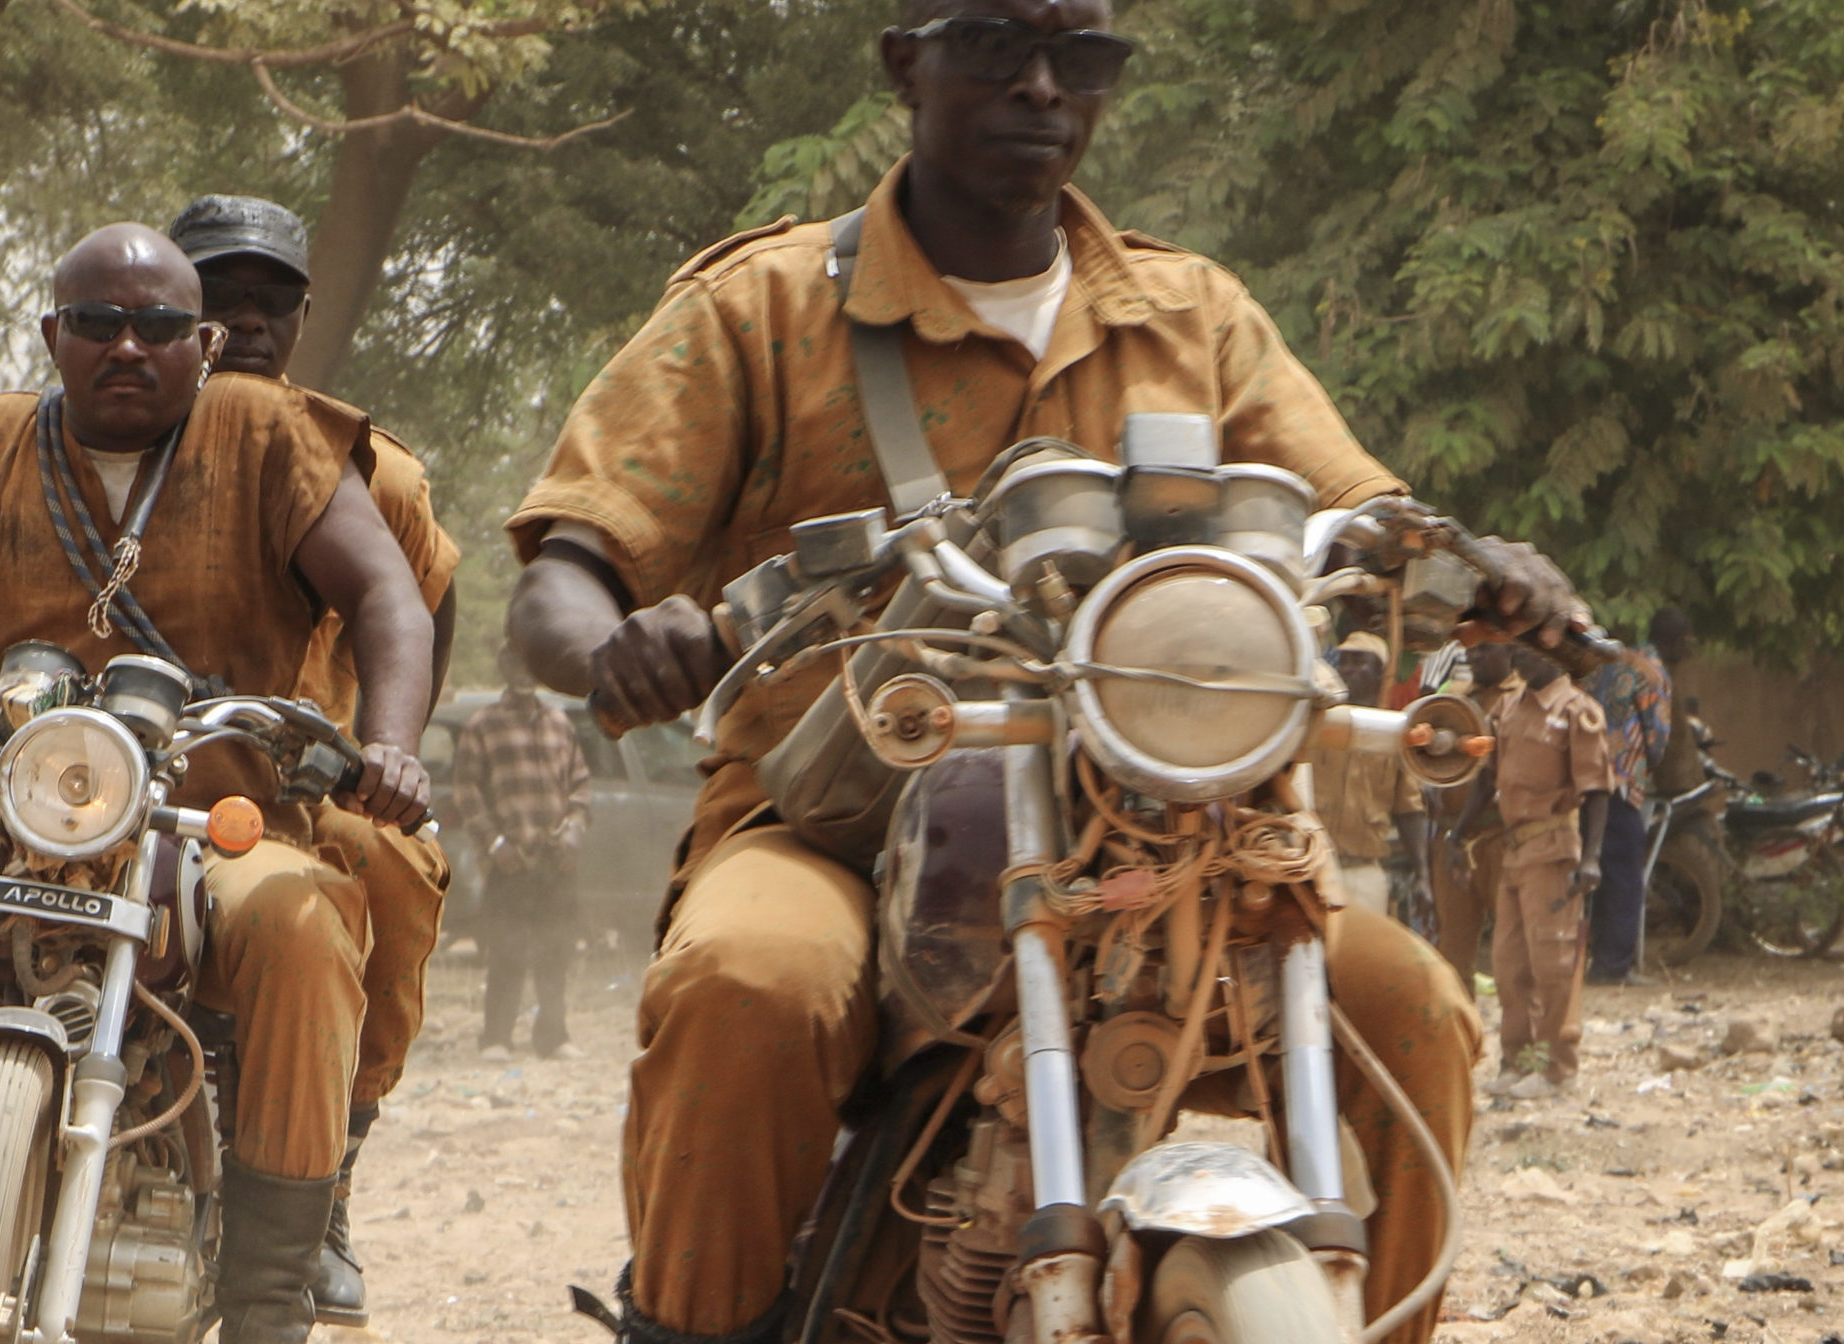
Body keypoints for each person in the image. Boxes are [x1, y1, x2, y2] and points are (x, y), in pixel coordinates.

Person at [500, 4, 1587, 1340]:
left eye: (1084, 58)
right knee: (749, 988)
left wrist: (1487, 573)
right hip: (837, 821)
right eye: (997, 46)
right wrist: (611, 638)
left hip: (1178, 835)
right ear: (905, 63)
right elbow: (568, 563)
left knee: (1413, 1010)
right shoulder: (764, 307)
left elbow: (1361, 518)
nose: (1040, 85)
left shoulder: (1198, 316)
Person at [0, 222, 433, 1344]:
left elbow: (389, 599)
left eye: (159, 327)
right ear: (53, 334)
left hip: (214, 815)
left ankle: (271, 1296)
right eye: (97, 323)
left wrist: (393, 740)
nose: (127, 347)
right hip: (5, 805)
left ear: (204, 341)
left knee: (307, 926)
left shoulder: (273, 434)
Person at [164, 194, 460, 1329]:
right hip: (126, 770)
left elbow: (423, 618)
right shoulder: (114, 427)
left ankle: (325, 1171)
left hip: (297, 782)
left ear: (300, 315)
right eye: (215, 298)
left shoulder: (373, 474)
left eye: (268, 300)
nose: (242, 322)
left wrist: (390, 753)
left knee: (389, 869)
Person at [1462, 645, 1612, 1098]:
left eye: (1529, 651)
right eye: (1515, 649)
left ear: (1555, 656)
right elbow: (1487, 780)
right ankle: (1517, 1059)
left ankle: (1557, 1068)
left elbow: (1598, 788)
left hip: (1552, 848)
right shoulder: (1508, 707)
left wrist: (1591, 857)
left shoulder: (1576, 711)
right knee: (1510, 963)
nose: (1518, 658)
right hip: (1512, 848)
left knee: (1554, 961)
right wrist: (1457, 836)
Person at [453, 643, 593, 1062]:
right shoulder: (482, 725)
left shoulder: (558, 723)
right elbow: (466, 793)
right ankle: (496, 1040)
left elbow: (581, 787)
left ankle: (553, 1038)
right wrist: (494, 844)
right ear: (504, 666)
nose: (523, 671)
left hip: (556, 860)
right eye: (515, 662)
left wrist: (573, 832)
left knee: (556, 952)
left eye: (531, 663)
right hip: (509, 860)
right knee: (506, 952)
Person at [1305, 631, 1429, 927]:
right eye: (1344, 662)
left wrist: (1423, 875)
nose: (1347, 670)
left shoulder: (1398, 734)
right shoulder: (1315, 726)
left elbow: (1408, 809)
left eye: (1359, 662)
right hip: (1311, 867)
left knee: (1362, 964)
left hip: (1363, 871)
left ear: (1381, 674)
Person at [1584, 623, 1670, 985]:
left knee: (1598, 870)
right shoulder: (1649, 670)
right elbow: (1656, 735)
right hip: (1620, 783)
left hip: (1585, 779)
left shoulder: (1595, 665)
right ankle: (1613, 965)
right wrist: (1644, 767)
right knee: (1623, 878)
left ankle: (1597, 958)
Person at [1433, 641, 1520, 992]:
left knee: (1513, 944)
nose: (1474, 656)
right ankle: (1463, 1037)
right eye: (1471, 649)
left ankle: (1521, 1039)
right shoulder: (1452, 697)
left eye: (1486, 648)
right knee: (1453, 949)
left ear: (1509, 650)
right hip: (1452, 837)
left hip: (1501, 837)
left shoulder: (1523, 698)